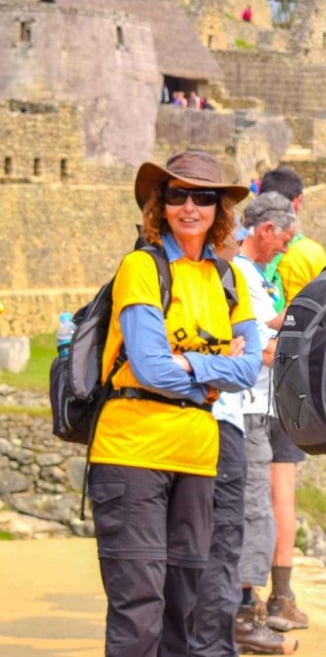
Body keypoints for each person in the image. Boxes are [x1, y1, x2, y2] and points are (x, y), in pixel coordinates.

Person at [90, 150, 259, 656]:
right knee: (138, 609)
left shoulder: (227, 280)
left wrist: (187, 364)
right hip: (132, 453)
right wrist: (209, 374)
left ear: (218, 209)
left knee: (184, 605)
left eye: (203, 197)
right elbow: (148, 366)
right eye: (178, 195)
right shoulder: (142, 268)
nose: (190, 207)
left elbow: (250, 369)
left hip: (197, 458)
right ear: (160, 205)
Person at [255, 165, 326, 631]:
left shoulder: (244, 252)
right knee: (282, 492)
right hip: (285, 384)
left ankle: (242, 590)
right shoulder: (308, 252)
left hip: (242, 384)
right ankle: (280, 596)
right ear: (296, 205)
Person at [231, 194, 300, 653]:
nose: (286, 249)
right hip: (248, 407)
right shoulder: (239, 272)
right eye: (284, 239)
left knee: (259, 506)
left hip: (259, 405)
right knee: (255, 508)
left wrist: (297, 318)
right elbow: (262, 348)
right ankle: (243, 614)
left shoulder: (253, 275)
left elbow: (267, 326)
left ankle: (249, 607)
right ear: (264, 229)